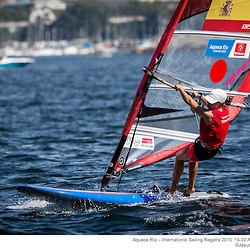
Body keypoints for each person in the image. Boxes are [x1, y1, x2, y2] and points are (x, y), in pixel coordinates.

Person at [168, 84, 230, 195]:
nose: (209, 103)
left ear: (219, 103)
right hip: (213, 150)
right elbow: (210, 104)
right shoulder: (225, 110)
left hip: (202, 150)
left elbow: (191, 104)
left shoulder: (209, 115)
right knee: (192, 159)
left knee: (179, 157)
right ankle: (190, 188)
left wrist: (181, 90)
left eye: (212, 102)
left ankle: (172, 189)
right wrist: (200, 96)